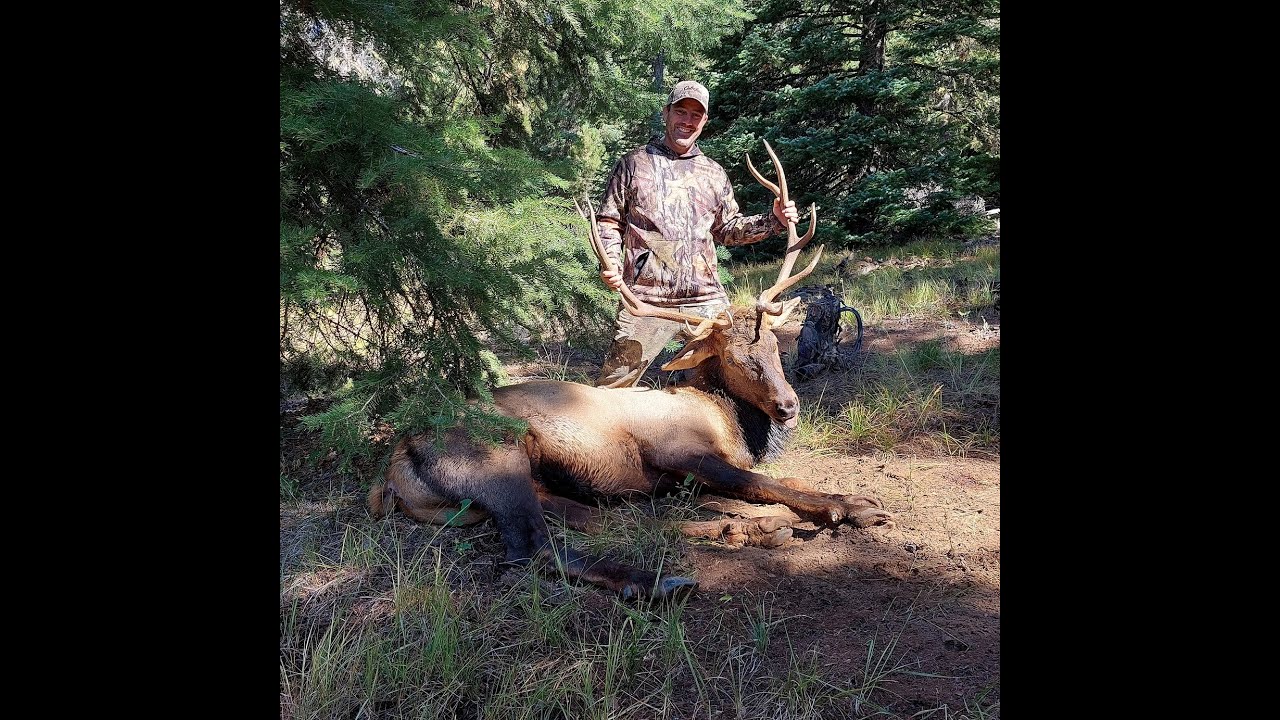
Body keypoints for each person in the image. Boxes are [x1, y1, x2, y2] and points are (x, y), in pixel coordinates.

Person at [593, 79, 799, 388]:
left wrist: (774, 220)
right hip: (646, 299)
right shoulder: (633, 165)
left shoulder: (713, 173)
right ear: (666, 113)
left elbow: (728, 229)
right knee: (614, 388)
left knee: (730, 383)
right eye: (681, 111)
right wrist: (610, 263)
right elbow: (608, 221)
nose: (687, 121)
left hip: (707, 303)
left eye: (696, 115)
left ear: (704, 121)